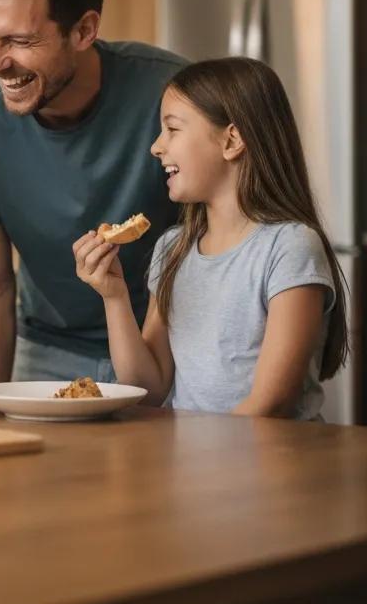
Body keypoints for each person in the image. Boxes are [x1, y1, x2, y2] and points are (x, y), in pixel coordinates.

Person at [0, 0, 185, 388]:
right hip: (47, 352)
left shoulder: (173, 94)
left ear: (85, 30)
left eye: (20, 41)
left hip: (172, 347)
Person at [74, 57, 347, 419]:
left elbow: (271, 403)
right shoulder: (173, 248)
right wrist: (114, 297)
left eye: (172, 129)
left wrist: (202, 461)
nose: (156, 147)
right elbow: (148, 389)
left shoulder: (289, 247)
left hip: (272, 466)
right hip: (197, 462)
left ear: (231, 140)